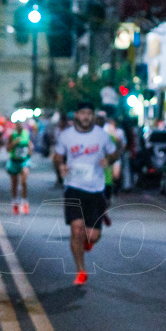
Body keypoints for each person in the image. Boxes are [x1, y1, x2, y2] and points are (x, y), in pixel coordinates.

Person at [52, 101, 120, 286]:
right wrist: (61, 166)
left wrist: (109, 159)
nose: (85, 117)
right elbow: (57, 155)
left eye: (89, 113)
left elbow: (115, 152)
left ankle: (88, 241)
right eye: (82, 113)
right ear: (76, 116)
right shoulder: (67, 136)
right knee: (76, 229)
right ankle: (81, 270)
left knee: (92, 236)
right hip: (73, 188)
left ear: (93, 116)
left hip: (96, 189)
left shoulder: (102, 136)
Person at [6, 120, 33, 215]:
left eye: (22, 124)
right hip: (14, 161)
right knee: (14, 183)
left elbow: (30, 144)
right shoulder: (12, 135)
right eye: (19, 124)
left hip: (24, 160)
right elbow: (7, 148)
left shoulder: (26, 134)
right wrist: (14, 143)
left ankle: (25, 202)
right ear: (16, 125)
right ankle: (15, 203)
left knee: (24, 180)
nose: (21, 126)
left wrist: (30, 150)